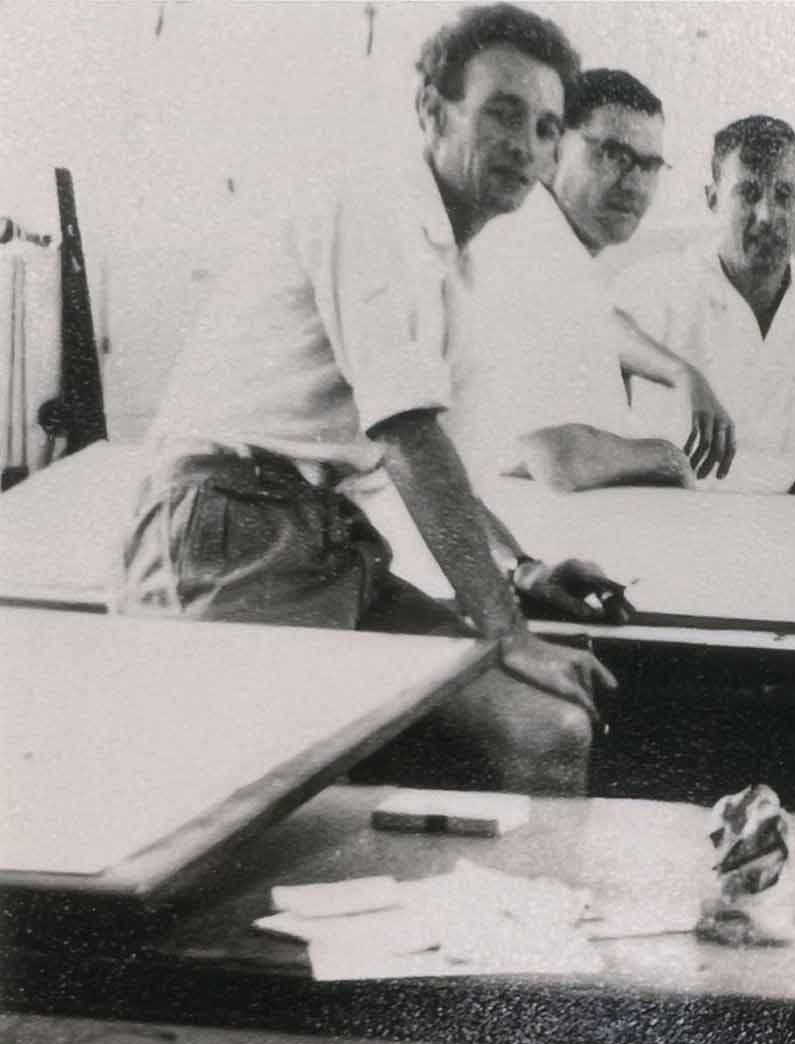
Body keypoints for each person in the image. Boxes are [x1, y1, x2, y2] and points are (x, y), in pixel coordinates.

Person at [114, 3, 620, 796]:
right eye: (502, 114)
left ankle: (523, 922)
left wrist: (517, 568)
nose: (527, 147)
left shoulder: (452, 261)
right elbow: (409, 436)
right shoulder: (377, 200)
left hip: (323, 543)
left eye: (549, 127)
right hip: (225, 530)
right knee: (254, 805)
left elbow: (429, 457)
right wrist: (506, 631)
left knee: (546, 730)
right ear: (431, 109)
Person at [448, 66, 736, 491]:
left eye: (650, 165)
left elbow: (600, 321)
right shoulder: (533, 255)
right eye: (613, 155)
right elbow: (555, 455)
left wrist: (680, 372)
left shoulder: (551, 241)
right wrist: (667, 457)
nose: (634, 182)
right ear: (552, 152)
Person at [619, 115, 795, 498]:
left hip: (777, 522)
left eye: (784, 195)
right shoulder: (664, 280)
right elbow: (601, 330)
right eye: (748, 193)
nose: (767, 216)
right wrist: (684, 375)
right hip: (670, 514)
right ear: (713, 198)